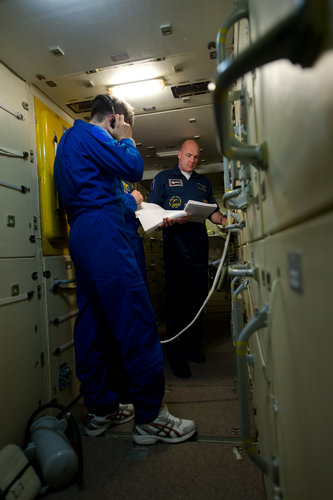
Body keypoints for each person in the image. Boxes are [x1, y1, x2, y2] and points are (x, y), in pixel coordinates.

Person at [53, 94, 196, 444]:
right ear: (114, 119)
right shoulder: (95, 135)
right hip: (104, 233)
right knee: (136, 317)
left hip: (83, 233)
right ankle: (150, 416)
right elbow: (133, 168)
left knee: (93, 322)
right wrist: (128, 137)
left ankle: (101, 409)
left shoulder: (69, 142)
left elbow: (95, 193)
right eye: (122, 125)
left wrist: (127, 201)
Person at [148, 139, 227, 378]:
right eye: (188, 156)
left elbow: (212, 210)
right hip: (175, 248)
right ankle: (176, 356)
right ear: (179, 155)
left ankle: (194, 348)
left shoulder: (203, 183)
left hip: (199, 248)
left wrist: (222, 220)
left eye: (196, 157)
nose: (192, 161)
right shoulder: (163, 178)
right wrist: (167, 218)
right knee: (177, 305)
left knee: (197, 301)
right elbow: (152, 212)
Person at [122, 181, 147, 282]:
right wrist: (132, 199)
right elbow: (109, 205)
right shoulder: (103, 177)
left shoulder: (125, 184)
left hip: (133, 239)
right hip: (120, 240)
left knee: (139, 281)